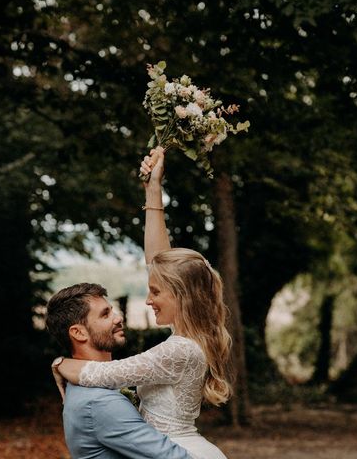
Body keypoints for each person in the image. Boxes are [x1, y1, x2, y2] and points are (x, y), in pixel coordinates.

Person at [53, 147, 232, 459]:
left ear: (180, 296)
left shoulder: (179, 349)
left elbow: (103, 375)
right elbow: (157, 262)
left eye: (156, 292)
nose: (148, 300)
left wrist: (59, 363)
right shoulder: (189, 335)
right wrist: (153, 190)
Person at [45, 282, 192, 459]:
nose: (117, 318)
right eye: (105, 315)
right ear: (78, 333)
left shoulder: (84, 385)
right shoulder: (100, 402)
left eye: (112, 310)